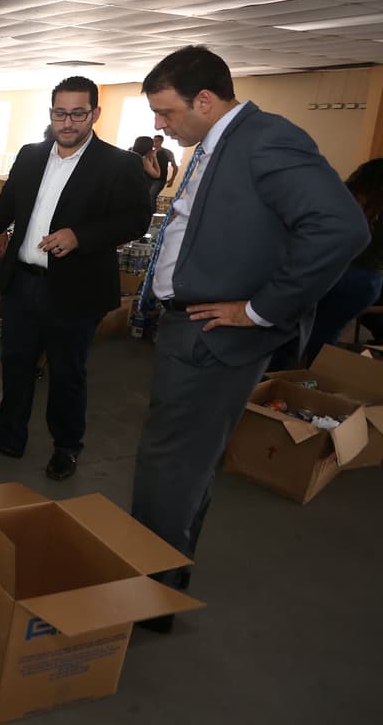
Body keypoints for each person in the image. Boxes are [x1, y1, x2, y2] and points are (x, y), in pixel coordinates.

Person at [130, 46, 369, 628]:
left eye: (166, 112)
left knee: (172, 465)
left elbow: (341, 228)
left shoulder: (265, 139)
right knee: (183, 462)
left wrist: (261, 309)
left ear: (205, 100)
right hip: (193, 325)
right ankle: (163, 577)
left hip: (213, 335)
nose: (159, 125)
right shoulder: (218, 144)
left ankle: (149, 592)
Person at [0, 76, 150, 481]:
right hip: (23, 281)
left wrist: (81, 236)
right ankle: (8, 435)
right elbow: (7, 205)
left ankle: (66, 447)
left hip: (75, 287)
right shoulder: (30, 154)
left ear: (95, 113)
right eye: (61, 113)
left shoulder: (118, 164)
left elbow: (134, 219)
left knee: (66, 372)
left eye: (78, 113)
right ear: (51, 114)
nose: (68, 122)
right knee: (15, 362)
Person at [294, 159, 383, 363]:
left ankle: (277, 381)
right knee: (326, 335)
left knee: (294, 329)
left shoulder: (345, 200)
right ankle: (314, 384)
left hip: (334, 270)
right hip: (368, 283)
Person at [131, 135, 162, 207]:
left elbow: (149, 168)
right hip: (139, 191)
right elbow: (157, 174)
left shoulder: (132, 155)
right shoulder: (143, 160)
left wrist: (150, 157)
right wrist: (154, 158)